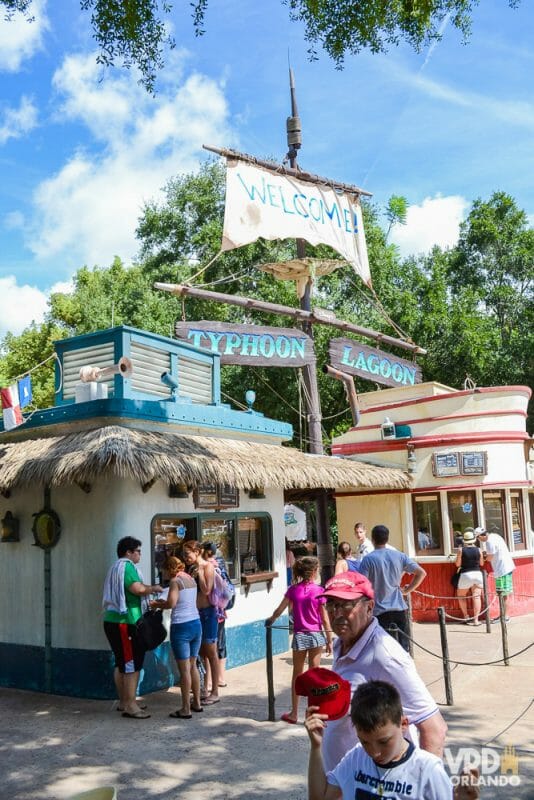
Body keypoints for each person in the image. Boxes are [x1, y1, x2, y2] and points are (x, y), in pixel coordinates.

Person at [317, 571, 447, 772]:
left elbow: (434, 728)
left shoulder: (385, 655)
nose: (337, 612)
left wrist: (423, 785)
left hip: (376, 784)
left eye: (346, 604)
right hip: (343, 781)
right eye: (332, 604)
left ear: (369, 607)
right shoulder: (341, 644)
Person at [305, 678, 479, 800]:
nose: (374, 752)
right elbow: (320, 797)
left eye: (383, 741)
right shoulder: (355, 758)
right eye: (365, 741)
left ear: (403, 724)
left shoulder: (428, 770)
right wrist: (316, 747)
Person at [266, 556, 332, 724]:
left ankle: (294, 713)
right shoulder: (318, 591)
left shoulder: (293, 590)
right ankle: (313, 714)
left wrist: (271, 621)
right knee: (314, 675)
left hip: (300, 635)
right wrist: (329, 638)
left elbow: (280, 609)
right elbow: (324, 618)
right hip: (316, 634)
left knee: (297, 674)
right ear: (314, 572)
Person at [102, 536, 162, 719]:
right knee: (131, 664)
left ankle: (125, 701)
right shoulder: (126, 566)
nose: (140, 555)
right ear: (128, 552)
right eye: (138, 551)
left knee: (122, 663)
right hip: (125, 622)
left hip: (114, 620)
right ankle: (130, 705)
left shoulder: (116, 567)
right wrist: (154, 588)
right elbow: (137, 589)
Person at [359, 524, 426, 652]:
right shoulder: (399, 556)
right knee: (402, 649)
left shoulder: (368, 560)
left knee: (381, 650)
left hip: (378, 611)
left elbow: (362, 585)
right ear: (387, 538)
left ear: (372, 539)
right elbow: (421, 573)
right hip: (399, 609)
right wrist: (407, 590)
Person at [150, 556, 203, 719]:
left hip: (181, 626)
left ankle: (185, 709)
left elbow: (171, 603)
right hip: (196, 624)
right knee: (193, 665)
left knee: (184, 669)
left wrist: (156, 604)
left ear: (169, 569)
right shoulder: (190, 579)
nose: (162, 573)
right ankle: (197, 703)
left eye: (163, 570)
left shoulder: (175, 581)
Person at [182, 540, 221, 704]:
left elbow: (206, 589)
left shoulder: (207, 567)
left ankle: (215, 691)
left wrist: (199, 574)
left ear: (197, 552)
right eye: (183, 555)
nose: (185, 558)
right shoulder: (189, 568)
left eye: (187, 554)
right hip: (194, 613)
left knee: (211, 652)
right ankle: (204, 688)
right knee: (202, 652)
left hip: (208, 613)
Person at [201, 541, 231, 689]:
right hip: (221, 610)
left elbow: (206, 590)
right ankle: (220, 678)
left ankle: (210, 682)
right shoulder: (220, 564)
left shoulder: (207, 567)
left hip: (212, 611)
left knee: (210, 648)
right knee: (221, 643)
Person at [475, 527, 515, 622]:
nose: (479, 540)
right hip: (506, 567)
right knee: (504, 593)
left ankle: (505, 617)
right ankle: (503, 615)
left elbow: (489, 558)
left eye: (478, 538)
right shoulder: (495, 536)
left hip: (502, 569)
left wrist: (482, 557)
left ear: (481, 536)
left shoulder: (489, 542)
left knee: (503, 594)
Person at [455, 529, 483, 626]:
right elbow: (482, 563)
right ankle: (476, 620)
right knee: (476, 596)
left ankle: (466, 617)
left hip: (466, 574)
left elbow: (457, 564)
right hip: (478, 574)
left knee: (461, 596)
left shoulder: (461, 550)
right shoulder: (479, 550)